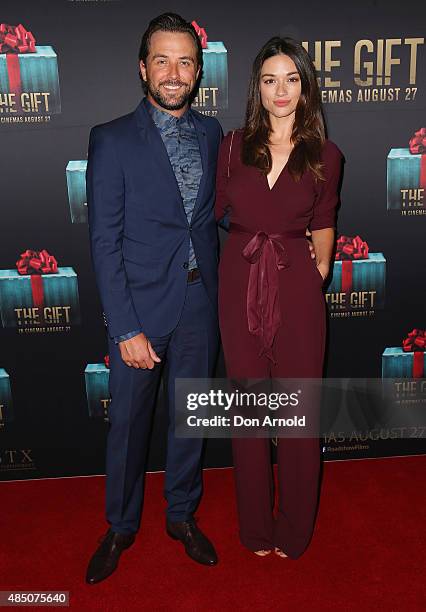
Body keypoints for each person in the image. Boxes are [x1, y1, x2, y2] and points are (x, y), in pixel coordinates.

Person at [85, 13, 223, 584]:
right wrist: (124, 328)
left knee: (190, 420)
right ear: (143, 68)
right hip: (138, 311)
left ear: (198, 71)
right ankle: (120, 526)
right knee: (129, 427)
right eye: (162, 60)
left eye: (185, 61)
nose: (174, 72)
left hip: (199, 305)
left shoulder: (214, 134)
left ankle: (182, 515)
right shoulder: (111, 139)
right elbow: (103, 240)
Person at [215, 37, 343, 559]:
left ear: (305, 86)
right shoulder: (231, 146)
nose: (281, 90)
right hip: (239, 280)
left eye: (291, 78)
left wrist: (320, 269)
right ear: (257, 89)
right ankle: (255, 529)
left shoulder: (327, 155)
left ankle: (293, 529)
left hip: (295, 285)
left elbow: (326, 220)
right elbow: (210, 211)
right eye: (270, 80)